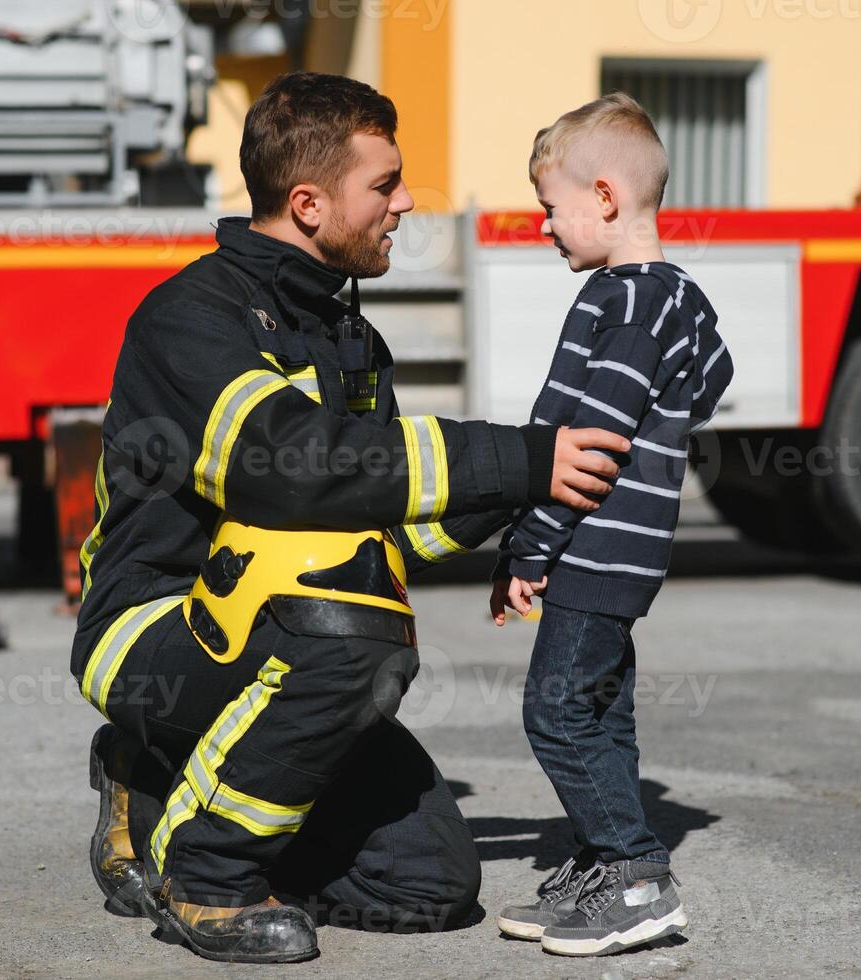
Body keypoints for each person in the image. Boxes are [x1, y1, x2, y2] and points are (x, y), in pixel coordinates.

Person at [72, 72, 632, 964]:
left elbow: (393, 522)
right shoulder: (191, 319)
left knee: (431, 885)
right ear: (306, 203)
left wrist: (536, 497)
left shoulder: (348, 339)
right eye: (384, 185)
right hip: (152, 631)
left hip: (277, 638)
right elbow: (291, 469)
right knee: (347, 621)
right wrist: (520, 455)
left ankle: (162, 786)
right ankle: (204, 875)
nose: (406, 203)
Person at [488, 93, 734, 957]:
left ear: (602, 197)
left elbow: (587, 445)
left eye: (549, 207)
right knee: (603, 710)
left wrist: (529, 546)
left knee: (555, 711)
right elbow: (712, 375)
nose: (543, 225)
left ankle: (633, 875)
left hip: (594, 541)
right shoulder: (676, 297)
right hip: (630, 548)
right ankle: (604, 858)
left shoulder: (619, 304)